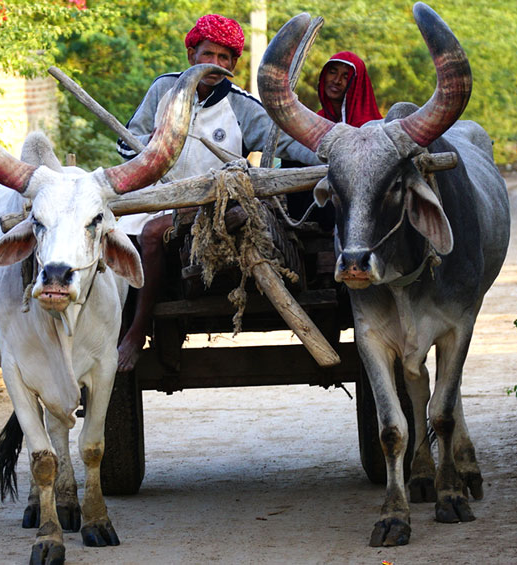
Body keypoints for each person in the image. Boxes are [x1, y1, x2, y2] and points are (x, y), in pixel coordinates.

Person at [115, 14, 320, 372]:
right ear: (191, 55)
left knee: (151, 236)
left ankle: (136, 332)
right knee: (114, 237)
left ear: (235, 65)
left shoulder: (242, 105)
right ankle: (116, 325)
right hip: (159, 199)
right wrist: (148, 149)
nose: (216, 65)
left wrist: (334, 149)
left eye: (225, 58)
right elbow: (126, 146)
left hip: (215, 205)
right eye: (208, 55)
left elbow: (290, 140)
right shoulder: (164, 90)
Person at [286, 51, 383, 228]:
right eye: (333, 72)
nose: (336, 80)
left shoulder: (371, 127)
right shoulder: (316, 121)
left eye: (346, 76)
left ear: (357, 83)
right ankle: (298, 226)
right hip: (316, 205)